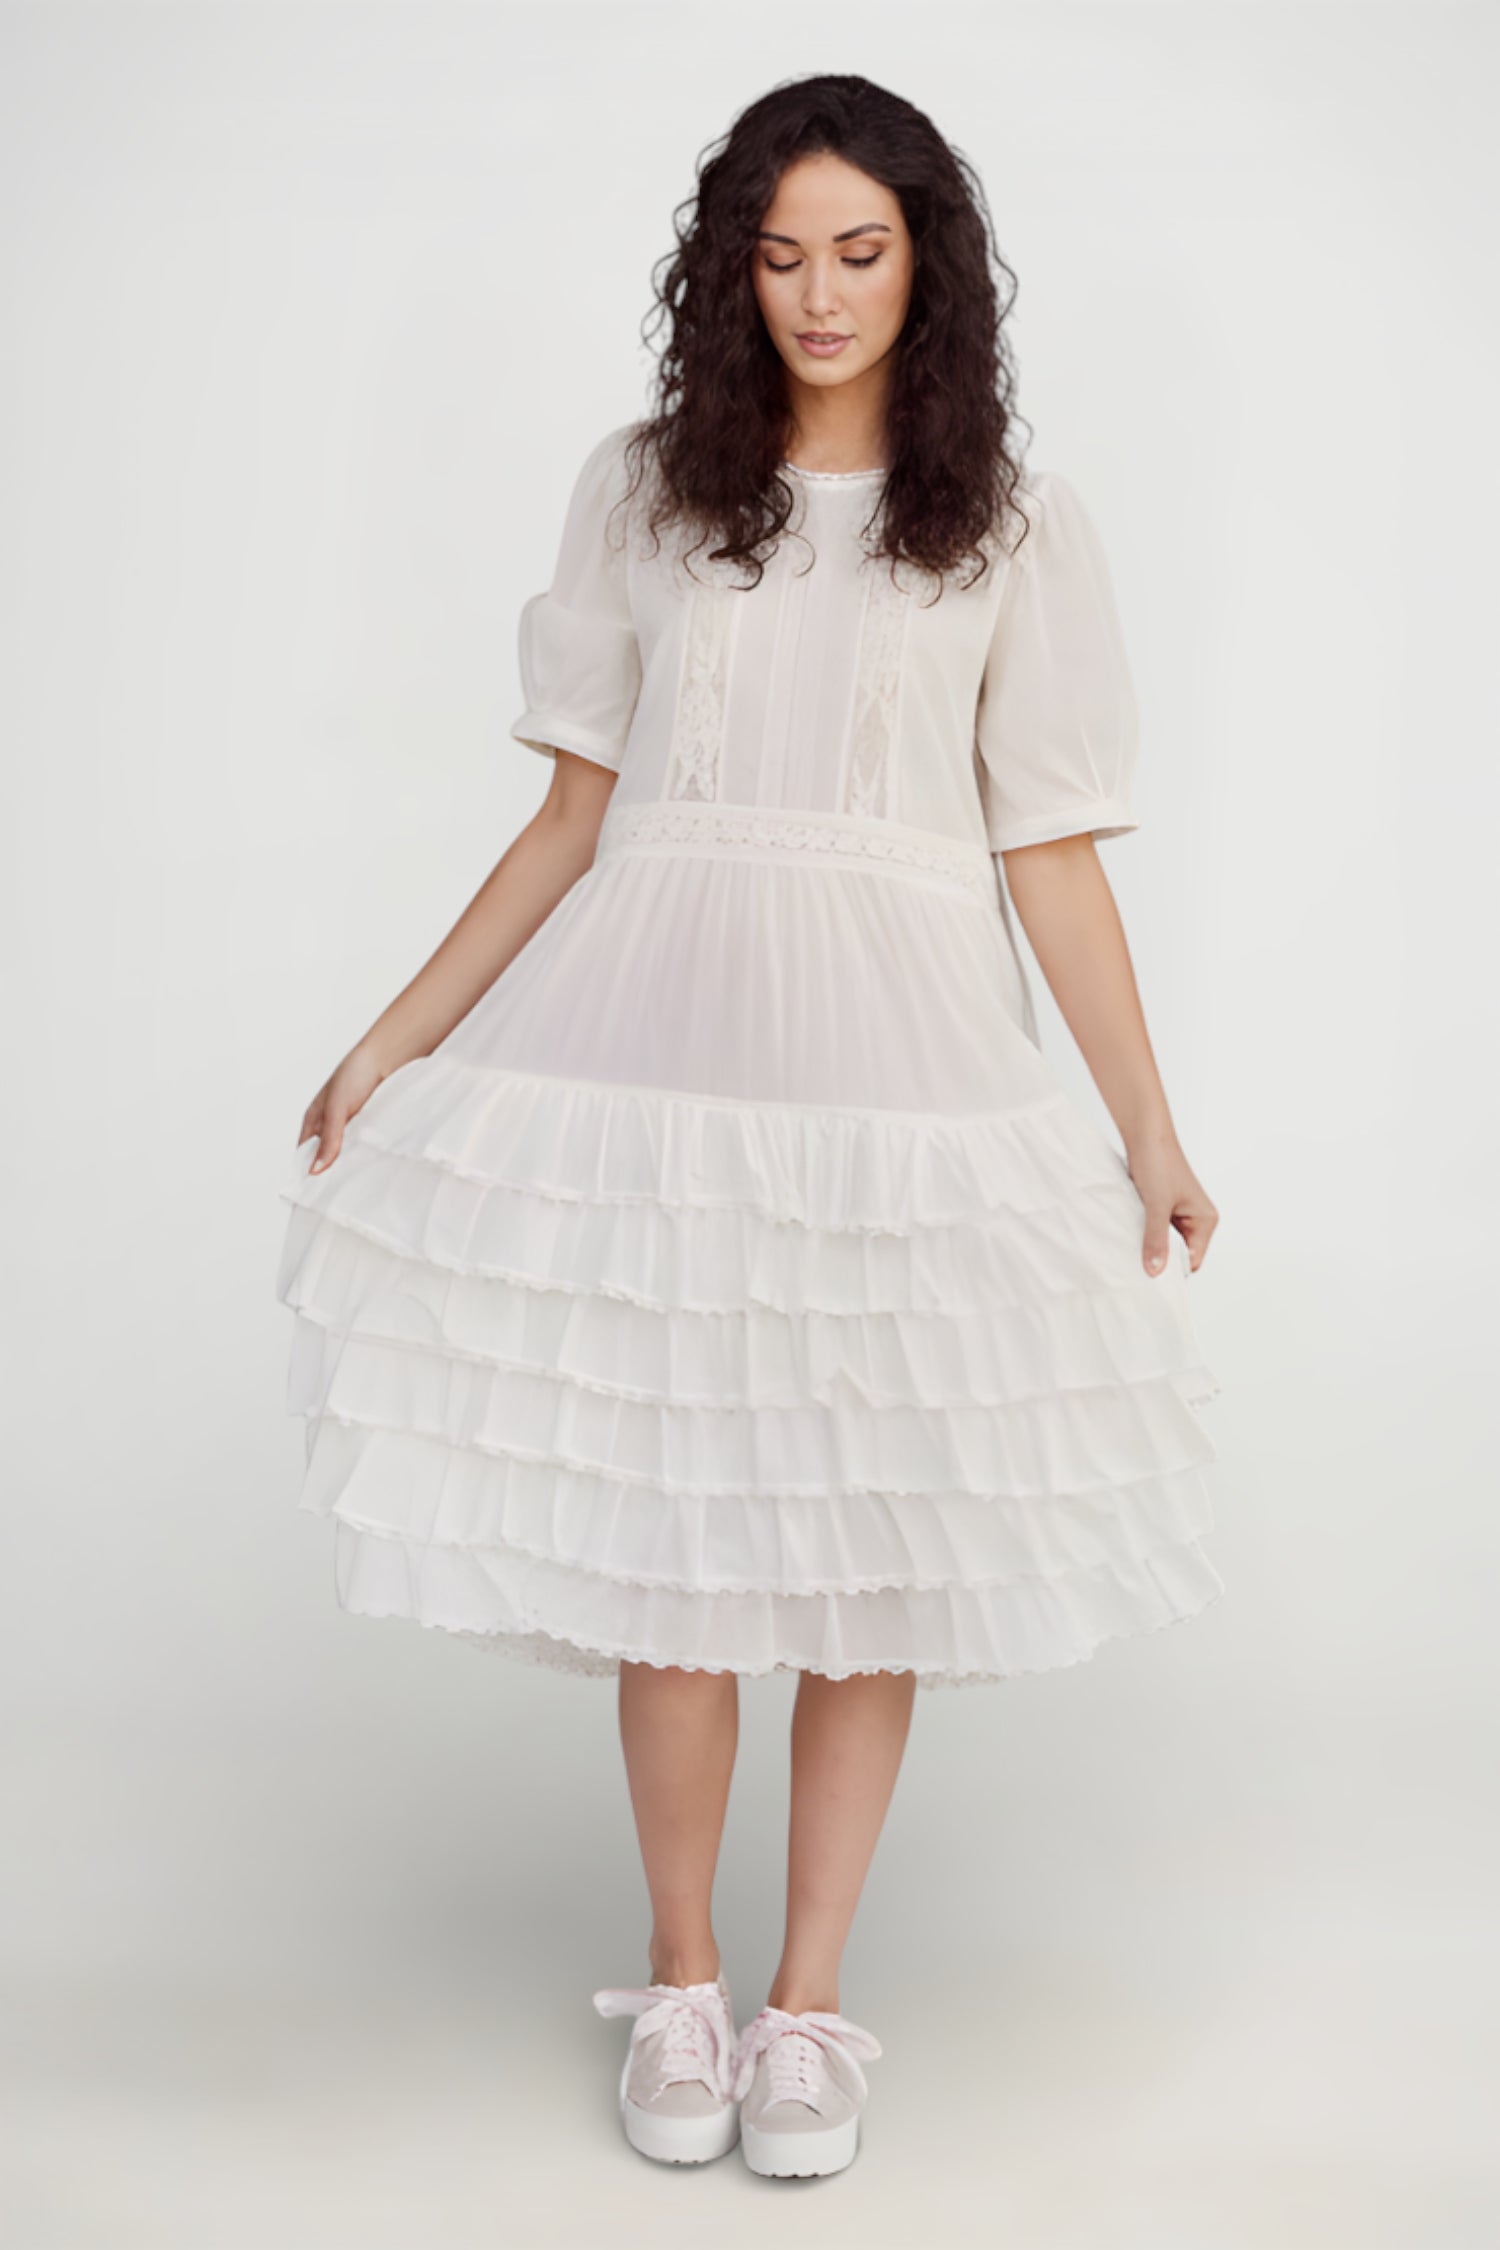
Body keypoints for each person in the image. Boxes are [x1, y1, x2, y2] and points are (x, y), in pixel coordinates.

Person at [275, 73, 1224, 2181]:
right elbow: (570, 817)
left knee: (870, 1557)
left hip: (900, 1075)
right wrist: (395, 1038)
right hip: (666, 1053)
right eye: (780, 255)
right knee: (679, 1548)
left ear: (929, 269)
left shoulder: (1011, 524)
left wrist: (1150, 1129)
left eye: (860, 253)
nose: (819, 294)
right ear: (732, 272)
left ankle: (808, 2009)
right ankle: (685, 1979)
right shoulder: (643, 489)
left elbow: (1051, 854)